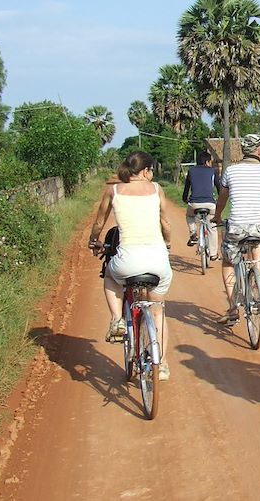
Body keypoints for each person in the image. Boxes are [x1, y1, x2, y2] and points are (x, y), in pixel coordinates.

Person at [88, 151, 174, 380]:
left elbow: (99, 223)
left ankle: (117, 319)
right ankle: (162, 364)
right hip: (158, 262)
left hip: (127, 261)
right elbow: (165, 222)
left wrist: (93, 241)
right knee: (157, 312)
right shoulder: (157, 189)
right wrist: (167, 243)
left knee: (109, 275)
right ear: (146, 171)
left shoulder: (113, 190)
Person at [213, 134, 260, 324]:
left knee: (228, 262)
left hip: (237, 226)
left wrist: (217, 216)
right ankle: (256, 273)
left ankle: (233, 308)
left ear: (243, 151)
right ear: (259, 151)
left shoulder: (231, 171)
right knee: (258, 241)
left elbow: (223, 198)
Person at [182, 150, 220, 258]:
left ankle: (193, 233)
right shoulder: (213, 171)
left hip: (194, 203)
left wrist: (185, 199)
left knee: (190, 215)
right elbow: (219, 188)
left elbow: (186, 188)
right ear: (207, 162)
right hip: (210, 204)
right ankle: (213, 254)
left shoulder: (191, 171)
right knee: (212, 226)